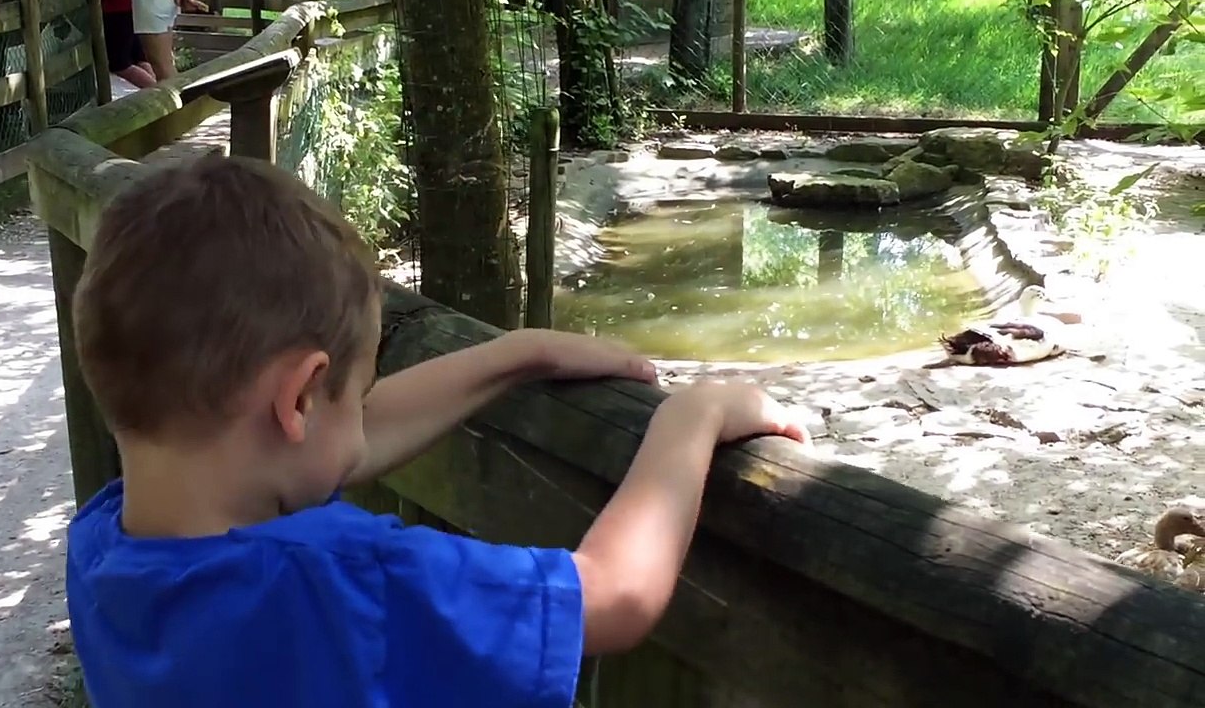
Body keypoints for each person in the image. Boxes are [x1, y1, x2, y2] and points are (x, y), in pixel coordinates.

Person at [64, 154, 813, 708]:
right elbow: (614, 597)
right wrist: (691, 419)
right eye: (359, 392)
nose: (366, 414)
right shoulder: (346, 580)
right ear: (295, 401)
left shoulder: (106, 555)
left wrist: (515, 355)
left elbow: (332, 444)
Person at [100, 0, 156, 88]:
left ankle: (159, 93)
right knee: (138, 56)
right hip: (127, 5)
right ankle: (158, 90)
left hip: (114, 8)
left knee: (119, 64)